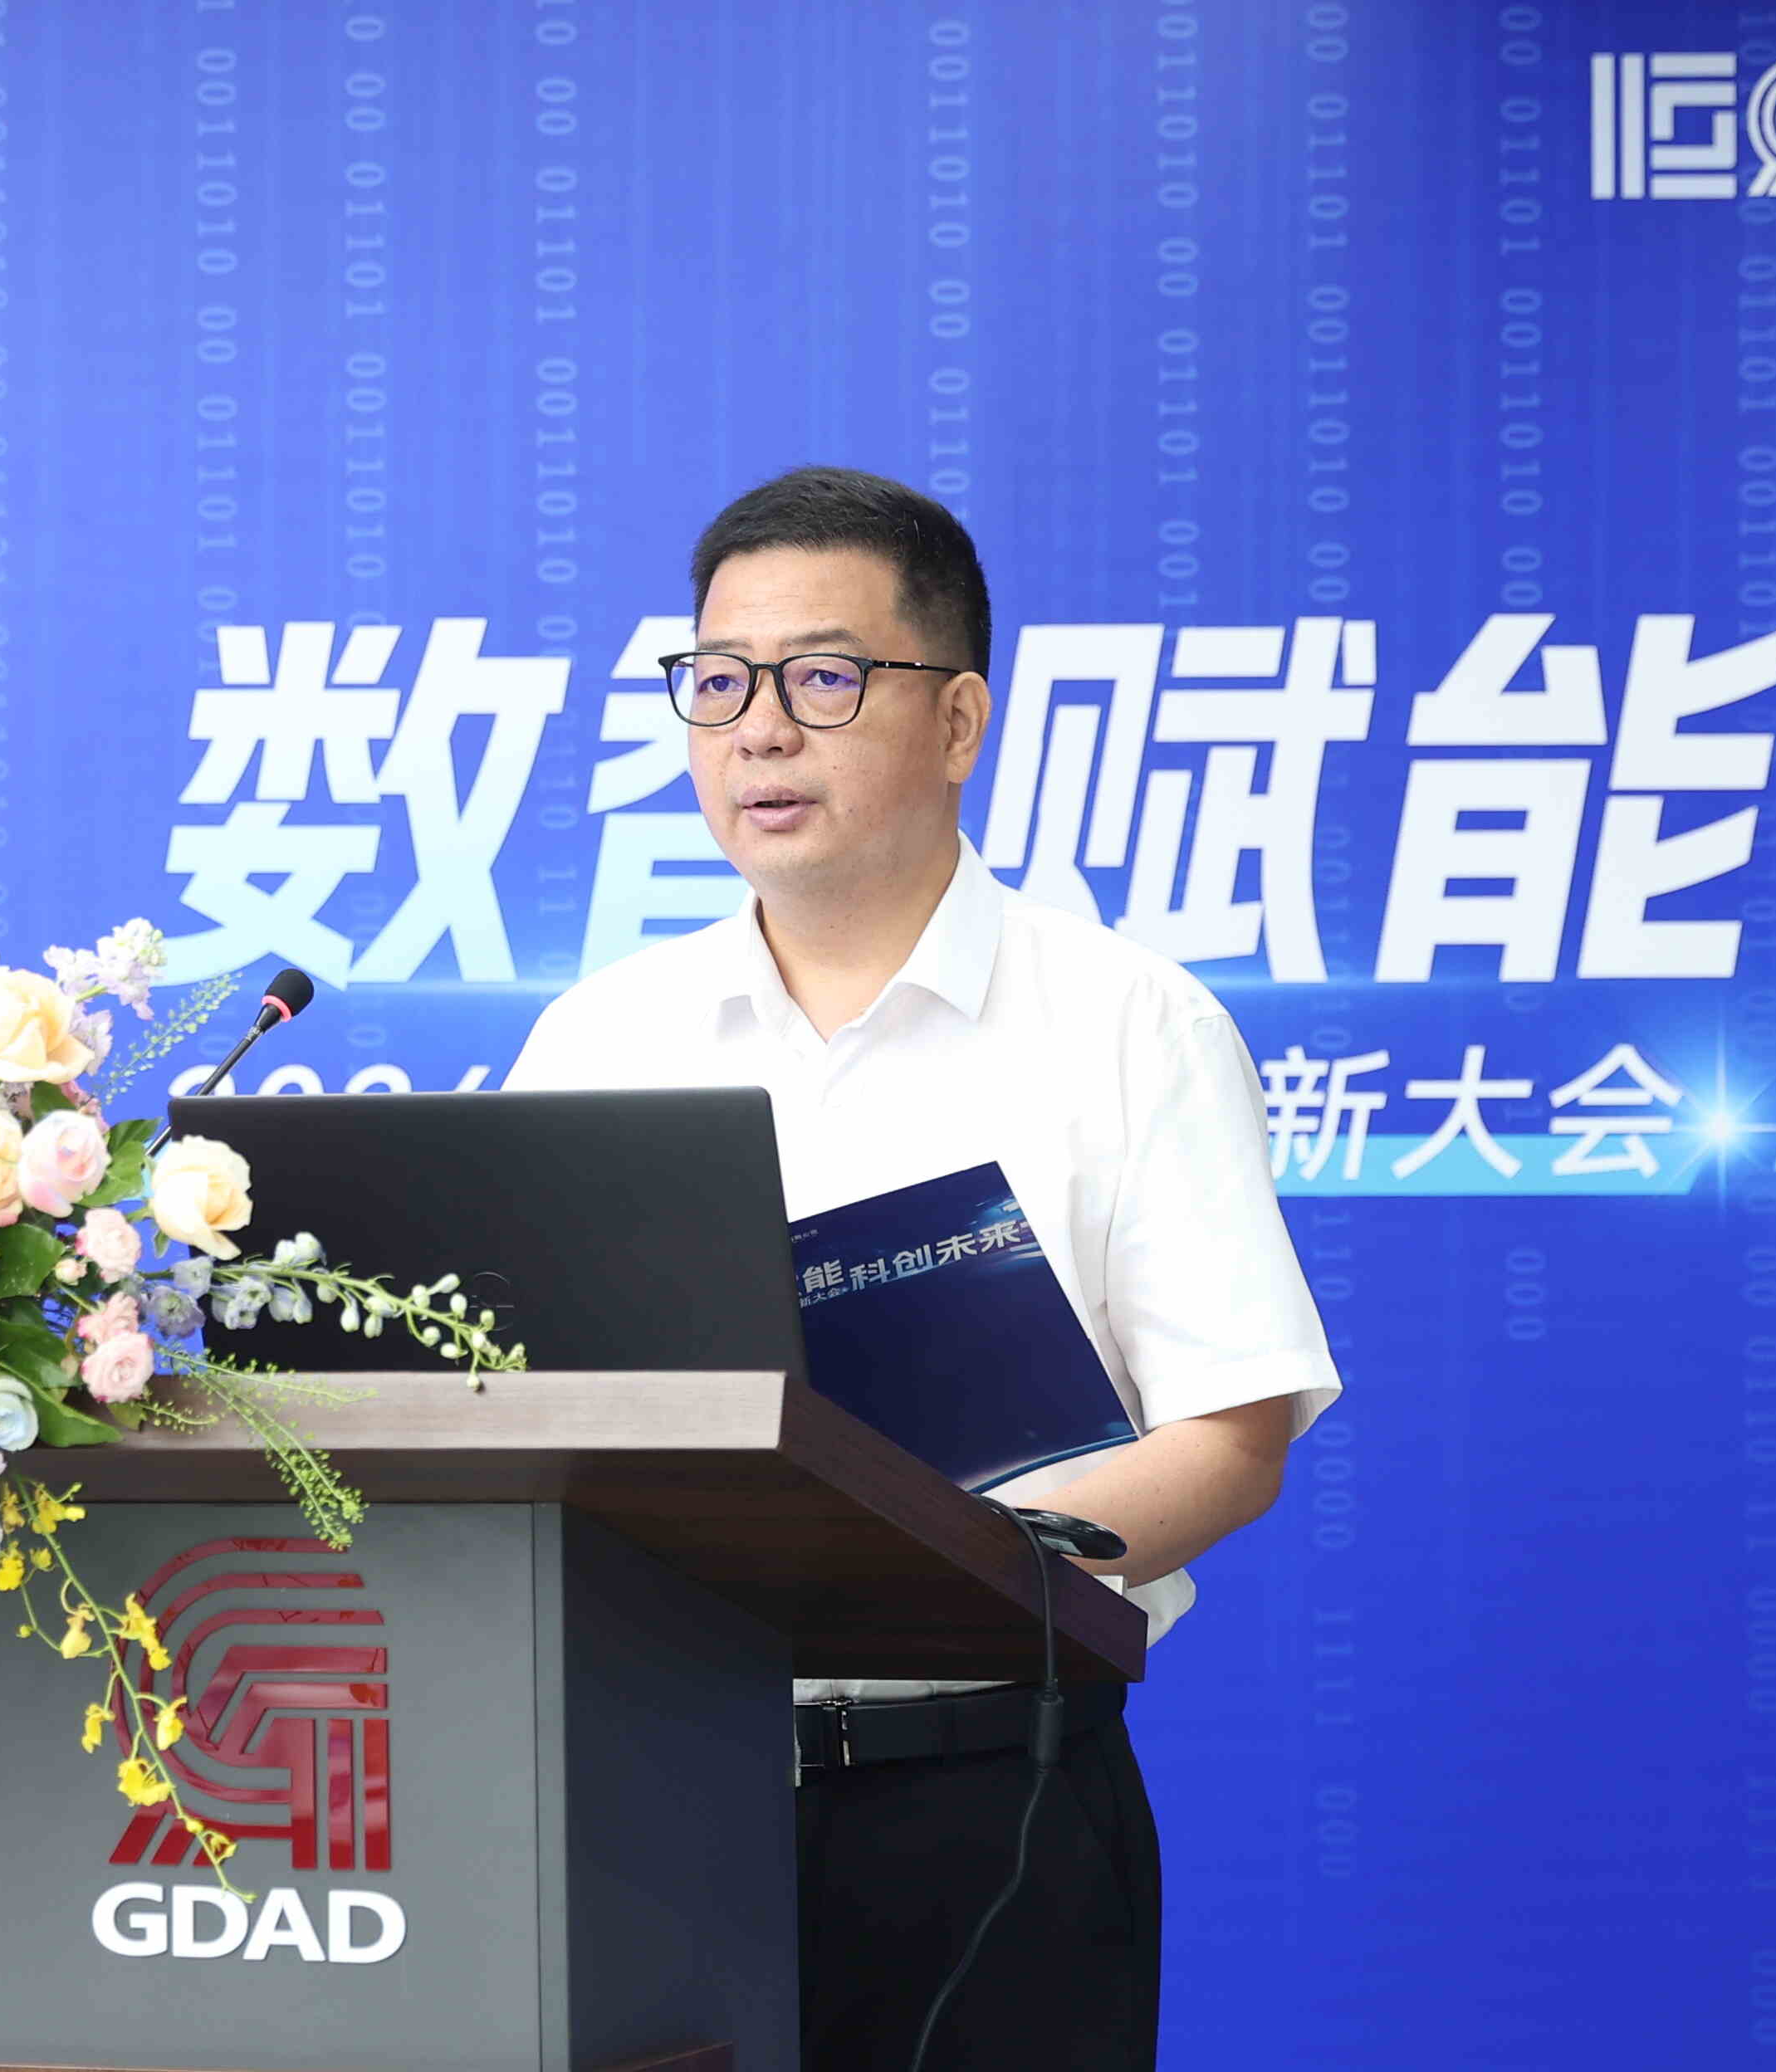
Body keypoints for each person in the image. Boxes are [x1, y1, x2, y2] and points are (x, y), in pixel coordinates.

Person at [504, 466, 1342, 2070]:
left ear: (959, 721)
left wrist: (923, 1563)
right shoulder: (599, 1039)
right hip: (638, 1803)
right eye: (718, 681)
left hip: (987, 1802)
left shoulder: (1129, 1025)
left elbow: (1233, 1440)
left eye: (823, 679)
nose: (759, 732)